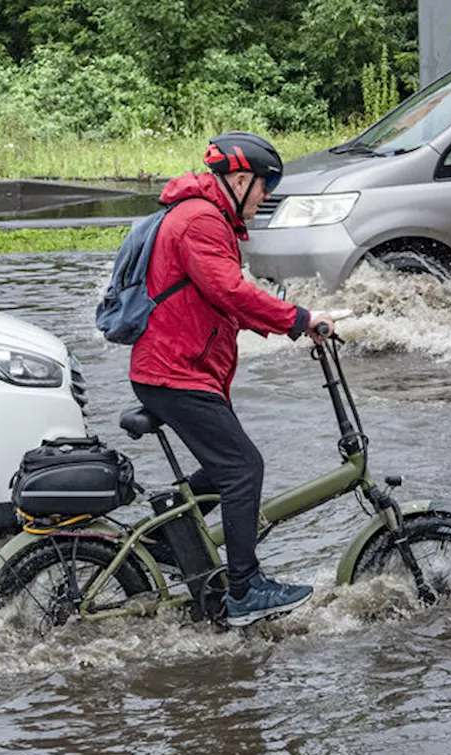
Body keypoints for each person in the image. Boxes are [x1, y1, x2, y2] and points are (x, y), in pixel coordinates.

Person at [128, 130, 333, 628]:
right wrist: (298, 319)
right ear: (240, 179)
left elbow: (219, 301)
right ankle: (244, 589)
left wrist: (283, 320)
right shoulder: (200, 219)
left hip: (176, 368)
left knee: (227, 468)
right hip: (176, 371)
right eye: (264, 186)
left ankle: (163, 542)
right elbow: (229, 290)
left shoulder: (203, 216)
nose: (265, 198)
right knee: (243, 469)